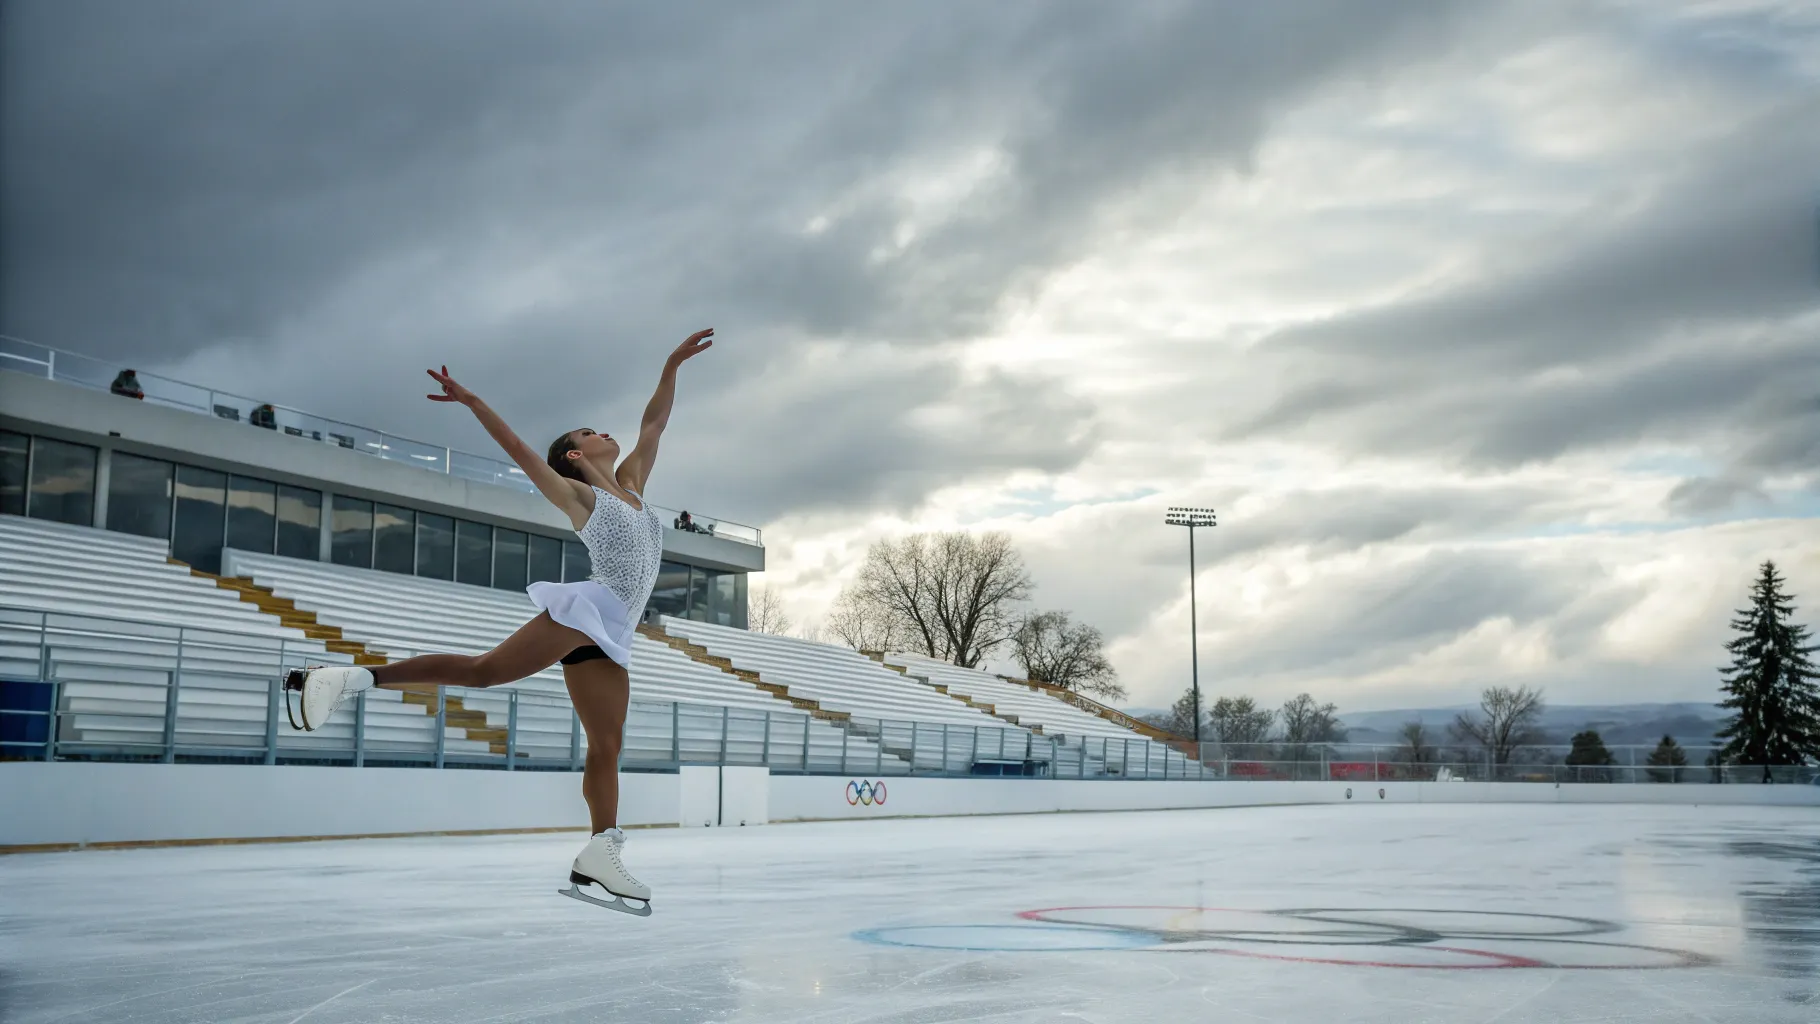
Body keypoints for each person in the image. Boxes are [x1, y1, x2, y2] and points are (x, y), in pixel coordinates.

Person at [283, 328, 715, 915]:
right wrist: (475, 403)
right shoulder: (579, 496)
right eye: (590, 431)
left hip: (614, 631)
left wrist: (671, 365)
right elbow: (518, 448)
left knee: (606, 747)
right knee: (487, 673)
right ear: (575, 455)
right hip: (589, 610)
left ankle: (599, 852)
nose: (603, 431)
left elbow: (655, 424)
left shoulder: (633, 485)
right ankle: (350, 679)